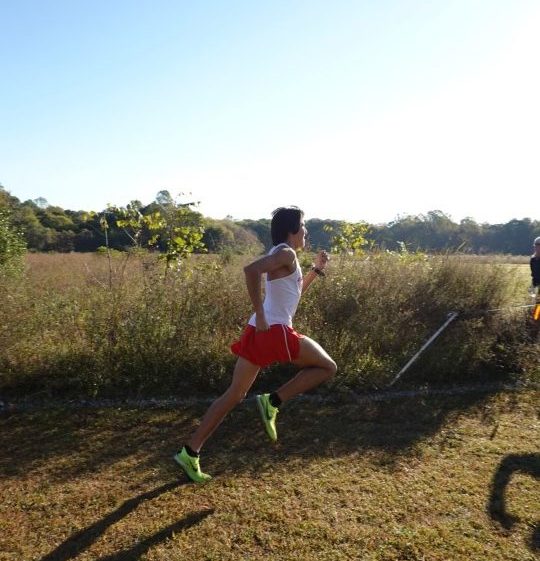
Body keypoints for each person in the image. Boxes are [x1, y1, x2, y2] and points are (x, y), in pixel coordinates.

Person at [174, 206, 337, 482]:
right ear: (292, 229)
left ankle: (190, 452)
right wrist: (261, 313)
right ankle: (272, 401)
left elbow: (292, 295)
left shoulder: (285, 256)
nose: (307, 231)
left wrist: (316, 271)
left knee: (234, 395)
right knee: (327, 367)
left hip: (259, 330)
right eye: (304, 226)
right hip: (274, 330)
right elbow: (251, 270)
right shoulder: (286, 253)